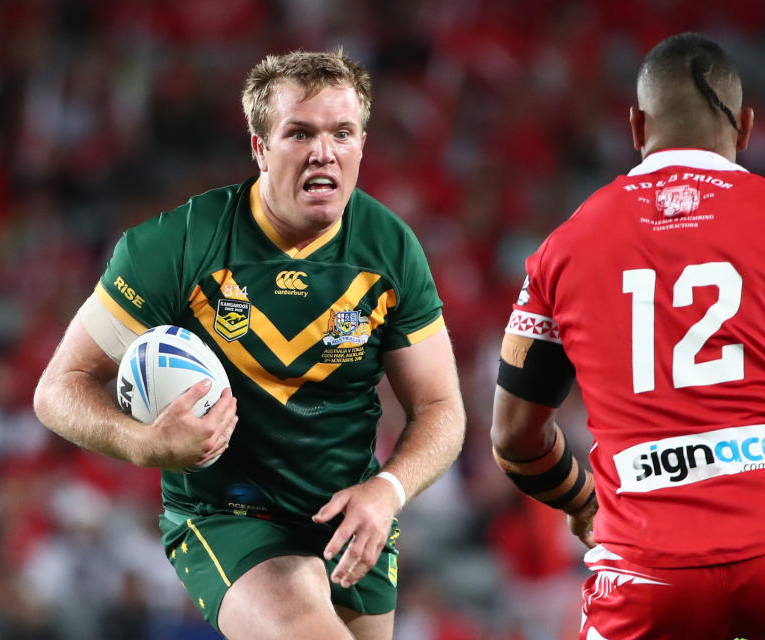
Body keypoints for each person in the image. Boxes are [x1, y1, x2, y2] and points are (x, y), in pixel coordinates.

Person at [490, 33, 765, 640]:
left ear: (636, 125)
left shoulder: (558, 253)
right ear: (745, 127)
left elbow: (514, 438)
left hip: (642, 580)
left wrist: (581, 500)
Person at [33, 49, 466, 640]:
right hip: (228, 515)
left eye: (343, 132)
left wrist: (387, 491)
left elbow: (442, 408)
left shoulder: (391, 250)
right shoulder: (177, 245)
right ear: (260, 147)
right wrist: (144, 443)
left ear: (362, 144)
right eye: (300, 133)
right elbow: (58, 389)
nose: (325, 151)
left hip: (350, 515)